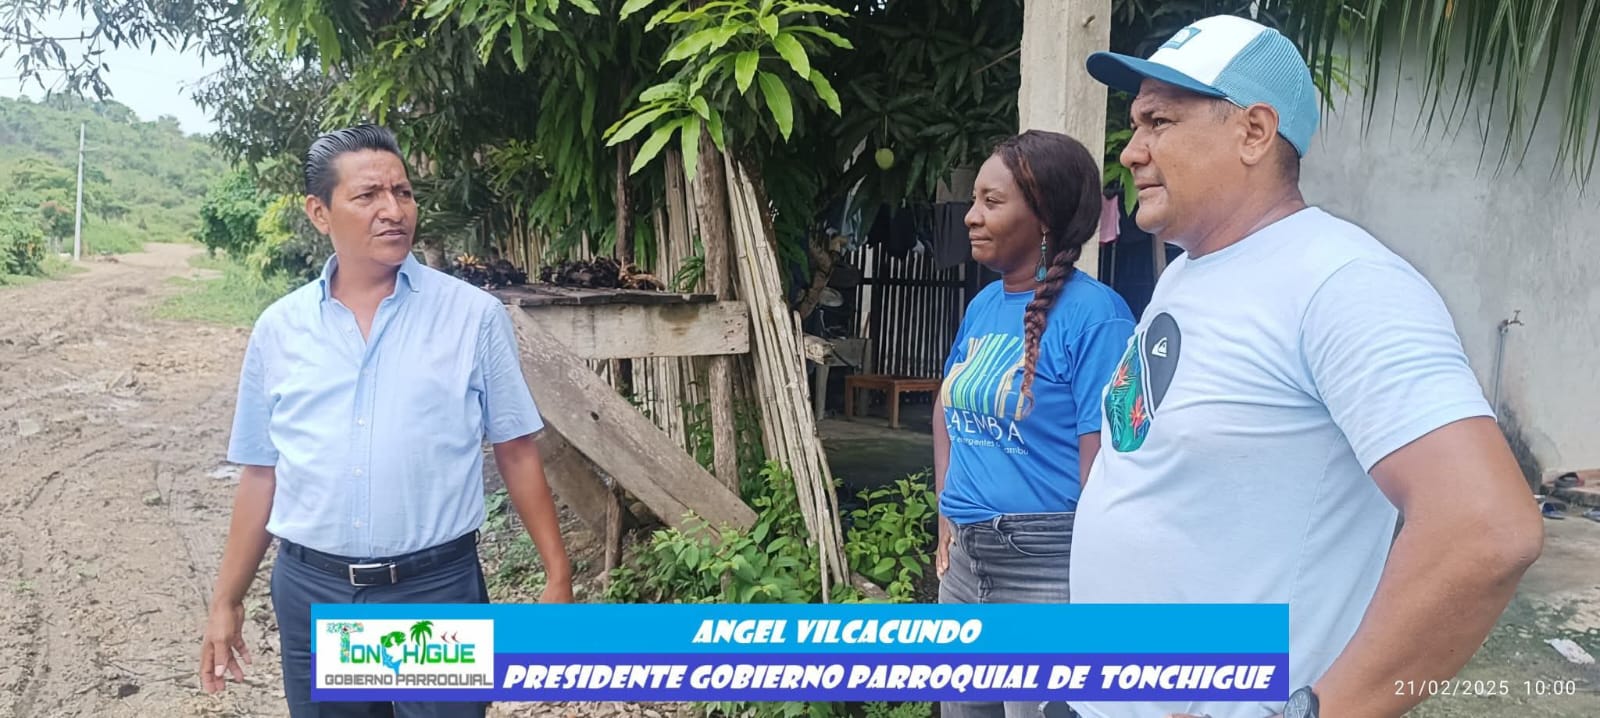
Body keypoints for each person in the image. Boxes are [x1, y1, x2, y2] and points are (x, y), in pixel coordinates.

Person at [1065, 14, 1544, 718]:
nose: (1132, 152)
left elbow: (1486, 528)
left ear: (1254, 132)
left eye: (1158, 122)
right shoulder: (1189, 273)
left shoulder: (1344, 283)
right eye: (1135, 125)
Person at [197, 125, 573, 718]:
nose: (393, 210)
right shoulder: (280, 330)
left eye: (403, 192)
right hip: (316, 594)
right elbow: (262, 473)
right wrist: (227, 599)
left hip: (435, 595)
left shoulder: (472, 317)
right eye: (367, 195)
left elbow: (517, 449)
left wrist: (557, 574)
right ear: (319, 212)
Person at [934, 130, 1136, 718]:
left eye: (992, 202)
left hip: (1048, 569)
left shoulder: (1097, 318)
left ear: (1044, 218)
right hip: (966, 563)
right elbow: (947, 411)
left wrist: (1103, 580)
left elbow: (1105, 463)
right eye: (975, 199)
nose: (971, 216)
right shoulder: (983, 306)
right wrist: (947, 510)